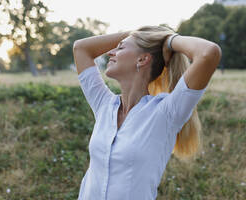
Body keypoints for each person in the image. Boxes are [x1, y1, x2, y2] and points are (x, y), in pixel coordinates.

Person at [73, 25, 221, 200]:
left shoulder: (166, 112)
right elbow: (81, 48)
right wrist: (140, 34)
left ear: (142, 59)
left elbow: (208, 53)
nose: (109, 53)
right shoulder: (104, 105)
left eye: (120, 48)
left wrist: (168, 40)